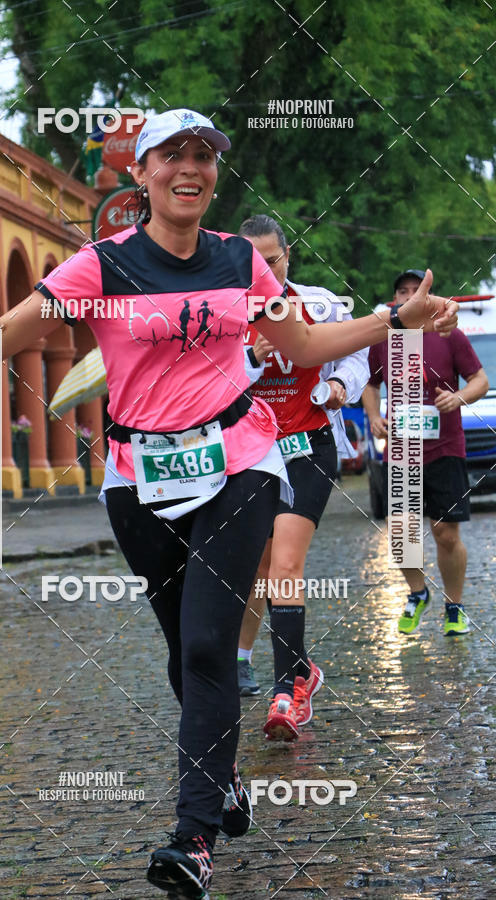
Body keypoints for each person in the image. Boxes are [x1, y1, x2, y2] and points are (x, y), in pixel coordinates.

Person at [0, 109, 458, 900]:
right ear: (143, 174)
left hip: (240, 462)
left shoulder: (240, 261)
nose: (191, 168)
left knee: (207, 647)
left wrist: (392, 320)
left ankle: (192, 838)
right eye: (174, 155)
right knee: (181, 650)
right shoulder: (99, 266)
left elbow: (303, 347)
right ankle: (222, 776)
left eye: (204, 155)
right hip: (136, 479)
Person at [236, 214, 369, 742]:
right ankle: (296, 667)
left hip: (308, 447)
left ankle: (287, 692)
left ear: (287, 254)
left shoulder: (319, 304)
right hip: (249, 452)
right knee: (262, 565)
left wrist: (340, 384)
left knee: (287, 562)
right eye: (253, 264)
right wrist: (251, 357)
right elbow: (202, 381)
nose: (264, 271)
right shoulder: (222, 310)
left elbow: (358, 355)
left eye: (272, 260)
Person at [362, 268, 488, 638]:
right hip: (401, 450)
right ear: (396, 300)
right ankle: (418, 593)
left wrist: (459, 397)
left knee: (445, 532)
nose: (410, 296)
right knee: (402, 532)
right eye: (403, 291)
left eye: (418, 290)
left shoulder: (448, 334)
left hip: (445, 447)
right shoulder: (382, 337)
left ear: (429, 298)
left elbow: (479, 379)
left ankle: (455, 605)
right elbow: (369, 384)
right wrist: (372, 415)